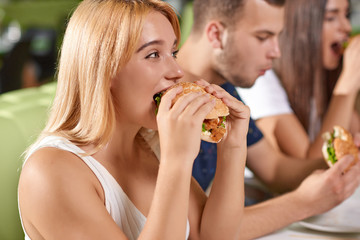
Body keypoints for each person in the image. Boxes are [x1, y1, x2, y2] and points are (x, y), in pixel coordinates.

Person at [17, 0, 250, 239]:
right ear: (103, 69)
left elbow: (209, 236)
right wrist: (176, 161)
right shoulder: (50, 172)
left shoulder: (150, 143)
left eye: (173, 52)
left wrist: (233, 146)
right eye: (153, 54)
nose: (177, 71)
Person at [177, 0, 360, 238]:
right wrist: (302, 203)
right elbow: (197, 229)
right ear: (215, 34)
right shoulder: (162, 101)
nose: (276, 51)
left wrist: (340, 158)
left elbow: (274, 170)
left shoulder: (224, 89)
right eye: (263, 37)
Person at [237, 0, 360, 159]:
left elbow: (354, 140)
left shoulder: (326, 76)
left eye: (346, 15)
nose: (347, 28)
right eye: (331, 18)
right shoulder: (261, 80)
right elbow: (308, 164)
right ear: (300, 26)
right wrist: (347, 86)